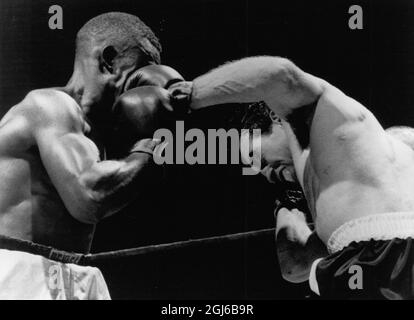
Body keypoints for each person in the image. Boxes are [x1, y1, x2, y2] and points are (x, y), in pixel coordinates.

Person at [170, 56, 414, 299]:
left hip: (392, 258)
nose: (266, 173)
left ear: (276, 118)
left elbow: (279, 74)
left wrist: (189, 94)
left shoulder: (330, 118)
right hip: (369, 267)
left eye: (258, 158)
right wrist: (288, 206)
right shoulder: (334, 188)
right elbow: (295, 267)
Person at [0, 12, 183, 299]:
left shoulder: (91, 137)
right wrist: (155, 142)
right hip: (22, 272)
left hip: (72, 273)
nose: (145, 86)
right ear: (109, 60)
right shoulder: (50, 105)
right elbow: (90, 198)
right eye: (140, 70)